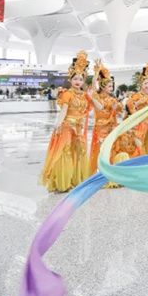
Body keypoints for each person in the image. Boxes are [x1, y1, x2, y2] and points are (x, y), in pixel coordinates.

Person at [41, 52, 93, 192]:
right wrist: (58, 123)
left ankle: (77, 180)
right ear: (70, 79)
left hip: (79, 127)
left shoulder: (84, 95)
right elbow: (63, 110)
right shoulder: (67, 94)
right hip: (67, 126)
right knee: (66, 152)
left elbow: (94, 107)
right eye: (75, 78)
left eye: (80, 79)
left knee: (79, 152)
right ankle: (63, 183)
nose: (78, 81)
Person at [88, 61, 122, 175]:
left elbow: (119, 112)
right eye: (109, 86)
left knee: (111, 148)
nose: (112, 88)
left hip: (111, 126)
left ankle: (110, 170)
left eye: (112, 86)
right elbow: (93, 86)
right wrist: (96, 73)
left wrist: (117, 108)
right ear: (103, 86)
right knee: (101, 149)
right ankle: (100, 171)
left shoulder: (113, 99)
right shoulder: (97, 97)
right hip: (101, 127)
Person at [125, 63, 148, 154]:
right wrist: (138, 103)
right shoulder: (135, 96)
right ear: (141, 84)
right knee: (140, 141)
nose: (147, 85)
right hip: (141, 122)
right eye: (145, 83)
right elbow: (130, 108)